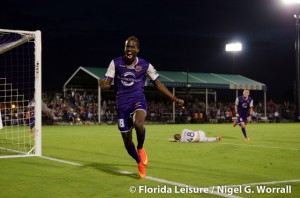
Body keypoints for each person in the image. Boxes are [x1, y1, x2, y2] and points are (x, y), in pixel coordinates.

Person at [99, 36, 184, 178]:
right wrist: (104, 85)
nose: (129, 49)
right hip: (122, 104)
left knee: (138, 123)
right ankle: (139, 162)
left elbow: (158, 84)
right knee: (127, 141)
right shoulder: (115, 63)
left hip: (138, 100)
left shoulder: (145, 65)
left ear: (137, 49)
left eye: (132, 47)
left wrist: (174, 99)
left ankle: (140, 148)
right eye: (127, 47)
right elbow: (107, 82)